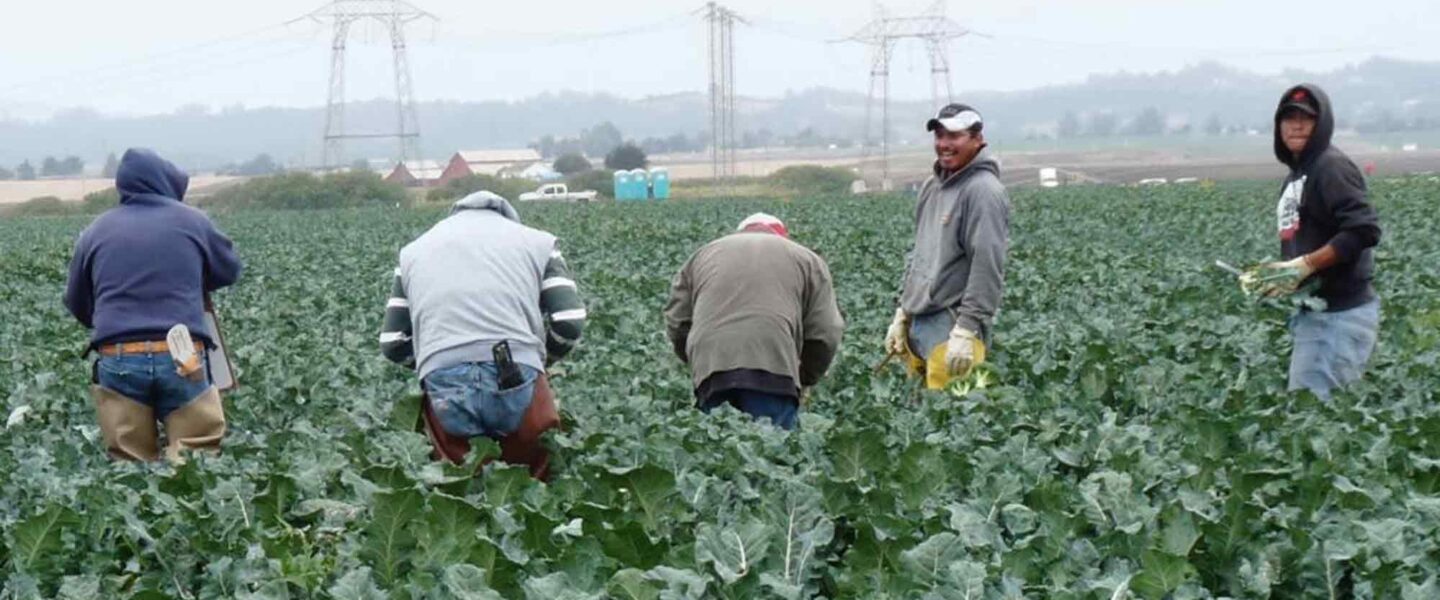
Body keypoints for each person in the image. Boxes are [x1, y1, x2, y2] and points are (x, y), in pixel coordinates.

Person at [379, 190, 585, 479]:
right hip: (518, 367)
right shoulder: (539, 242)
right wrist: (542, 361)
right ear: (508, 217)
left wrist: (437, 361)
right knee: (535, 479)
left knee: (458, 484)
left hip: (443, 377)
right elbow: (570, 322)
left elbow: (392, 343)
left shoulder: (413, 251)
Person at [64, 148, 242, 462]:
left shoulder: (94, 232)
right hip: (182, 352)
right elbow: (229, 270)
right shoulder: (193, 221)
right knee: (195, 459)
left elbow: (77, 302)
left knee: (128, 465)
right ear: (167, 184)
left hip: (118, 356)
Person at [1253, 84, 1381, 399]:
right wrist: (1285, 274)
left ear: (1321, 125)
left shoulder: (1329, 166)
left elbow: (1363, 229)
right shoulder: (1299, 174)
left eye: (1306, 118)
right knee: (1309, 419)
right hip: (1316, 315)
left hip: (1338, 318)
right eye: (1289, 117)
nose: (1296, 124)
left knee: (1315, 422)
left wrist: (1307, 265)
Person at [664, 213, 844, 430]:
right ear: (782, 236)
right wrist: (806, 376)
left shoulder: (703, 254)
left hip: (712, 370)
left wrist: (698, 361)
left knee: (716, 452)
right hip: (773, 370)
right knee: (773, 454)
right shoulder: (807, 259)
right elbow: (825, 331)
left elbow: (677, 321)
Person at [883, 103, 1011, 389]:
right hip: (920, 322)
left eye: (954, 136)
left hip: (951, 325)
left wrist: (966, 330)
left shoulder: (983, 191)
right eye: (939, 136)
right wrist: (903, 312)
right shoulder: (932, 186)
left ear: (978, 139)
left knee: (951, 422)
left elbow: (986, 265)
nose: (944, 144)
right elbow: (920, 254)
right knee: (921, 422)